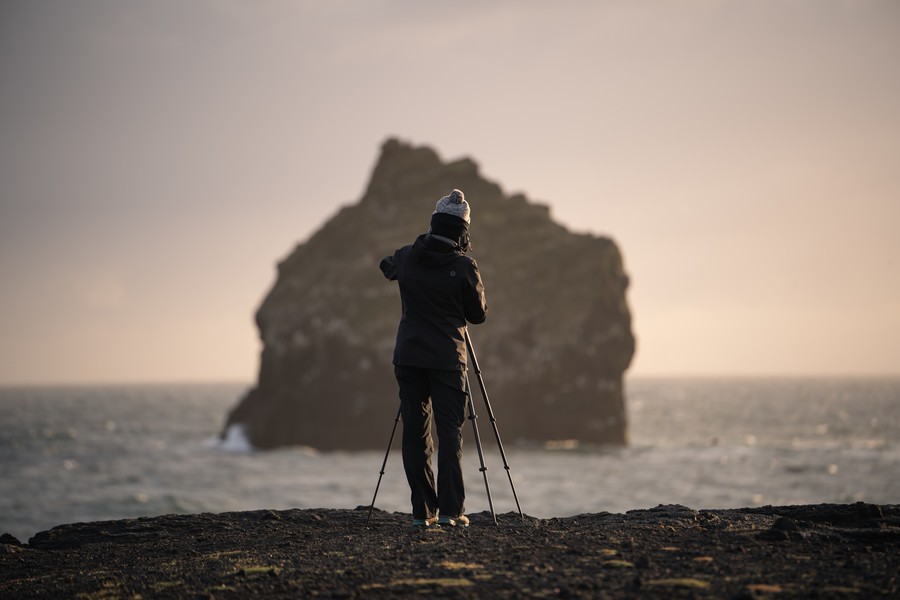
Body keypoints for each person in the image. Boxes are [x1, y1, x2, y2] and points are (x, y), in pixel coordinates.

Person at [379, 189, 488, 528]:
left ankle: (422, 511)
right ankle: (452, 511)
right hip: (447, 358)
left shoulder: (407, 256)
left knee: (415, 432)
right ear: (463, 231)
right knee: (449, 432)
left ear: (433, 223)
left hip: (409, 355)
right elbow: (478, 315)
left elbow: (386, 266)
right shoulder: (463, 266)